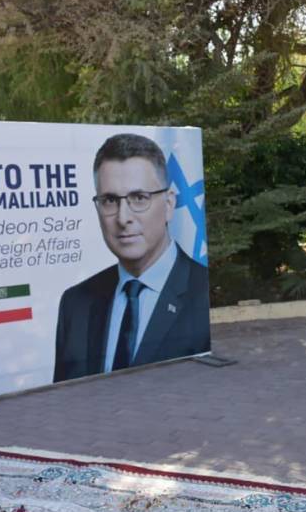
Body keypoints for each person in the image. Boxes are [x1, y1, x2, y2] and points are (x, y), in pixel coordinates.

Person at [53, 133, 210, 383]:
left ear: (169, 204)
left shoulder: (203, 292)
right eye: (110, 200)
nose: (123, 217)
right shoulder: (75, 304)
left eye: (139, 198)